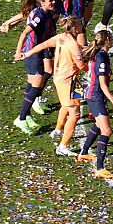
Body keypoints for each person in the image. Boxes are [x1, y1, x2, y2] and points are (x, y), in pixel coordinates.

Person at [20, 15, 85, 156]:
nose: (82, 27)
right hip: (69, 81)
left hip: (65, 79)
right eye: (80, 25)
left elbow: (43, 45)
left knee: (66, 105)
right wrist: (90, 66)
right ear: (74, 28)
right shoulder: (73, 44)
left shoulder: (61, 37)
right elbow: (81, 65)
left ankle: (58, 130)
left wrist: (28, 53)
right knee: (75, 113)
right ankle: (63, 146)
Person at [9, 0, 57, 135]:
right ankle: (21, 118)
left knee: (33, 84)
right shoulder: (40, 15)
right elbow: (25, 33)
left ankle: (27, 115)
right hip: (32, 53)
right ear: (43, 3)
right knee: (37, 86)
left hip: (39, 51)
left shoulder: (47, 12)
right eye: (51, 1)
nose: (53, 2)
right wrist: (18, 52)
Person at [75, 28, 113, 178]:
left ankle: (83, 152)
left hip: (92, 94)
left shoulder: (98, 54)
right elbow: (102, 84)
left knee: (98, 123)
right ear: (107, 41)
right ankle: (100, 168)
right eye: (112, 37)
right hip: (96, 96)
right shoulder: (102, 57)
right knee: (107, 130)